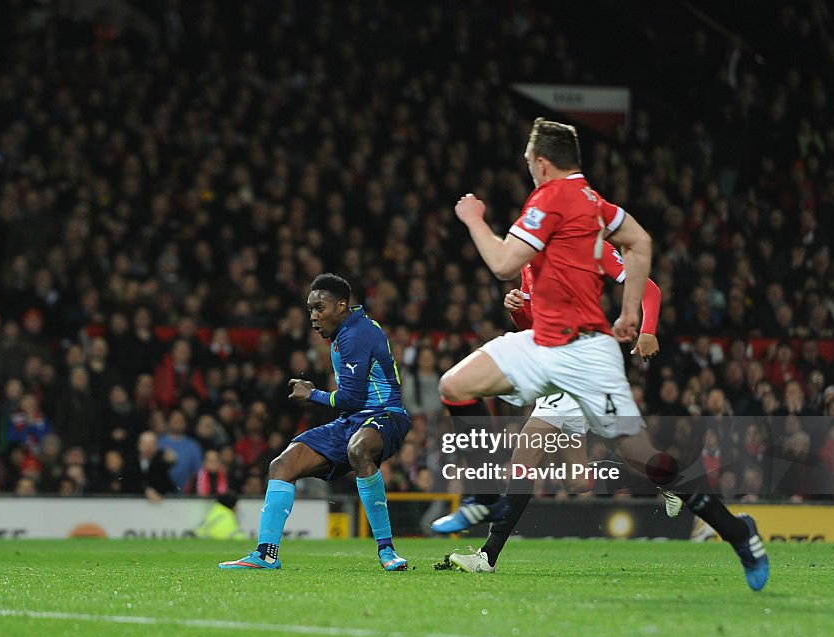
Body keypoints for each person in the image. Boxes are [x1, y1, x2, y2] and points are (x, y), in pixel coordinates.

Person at [440, 119, 767, 590]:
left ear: (542, 163)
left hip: (582, 355)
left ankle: (736, 530)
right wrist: (528, 313)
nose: (529, 171)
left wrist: (473, 218)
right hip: (546, 347)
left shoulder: (550, 201)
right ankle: (487, 510)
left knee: (623, 457)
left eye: (530, 163)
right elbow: (641, 242)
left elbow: (500, 263)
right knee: (458, 387)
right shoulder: (594, 207)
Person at [431, 239, 682, 534]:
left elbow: (649, 288)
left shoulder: (589, 244)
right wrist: (516, 309)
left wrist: (648, 331)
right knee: (575, 480)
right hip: (552, 367)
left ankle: (487, 554)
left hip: (581, 363)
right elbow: (532, 326)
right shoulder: (528, 261)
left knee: (526, 449)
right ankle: (659, 476)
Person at [220, 274, 411, 570]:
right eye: (310, 309)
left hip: (386, 415)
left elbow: (352, 398)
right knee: (282, 465)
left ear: (341, 306)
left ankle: (387, 551)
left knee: (359, 450)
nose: (313, 316)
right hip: (351, 422)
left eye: (319, 308)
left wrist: (312, 394)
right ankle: (265, 554)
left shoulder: (356, 333)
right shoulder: (345, 332)